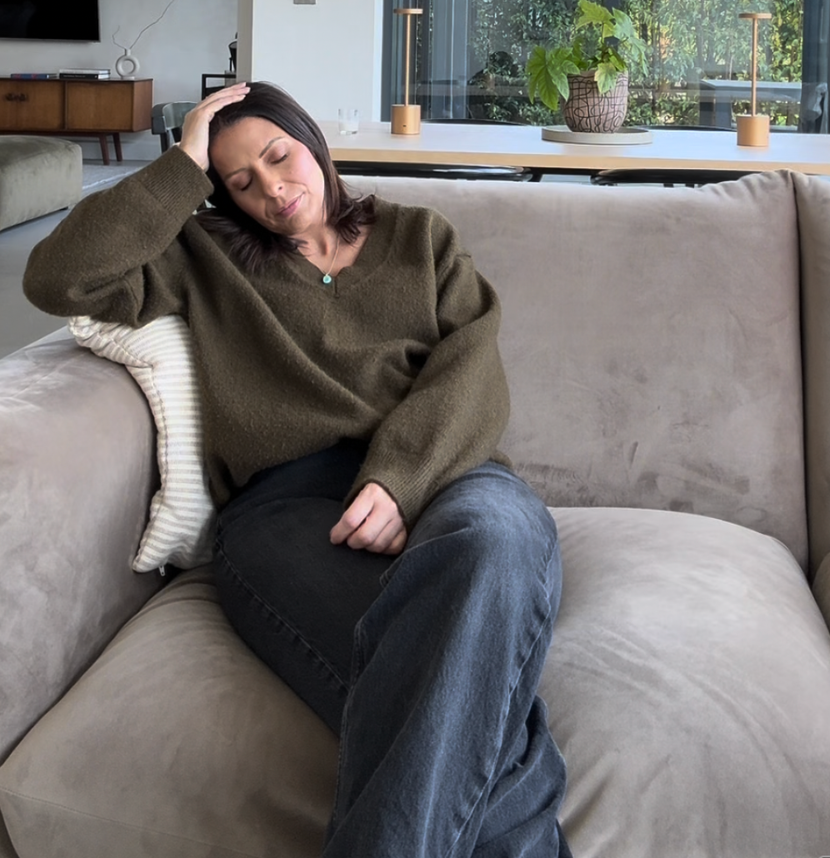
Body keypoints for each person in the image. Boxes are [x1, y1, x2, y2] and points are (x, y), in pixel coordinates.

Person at [23, 80, 571, 858]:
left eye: (280, 157)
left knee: (492, 546)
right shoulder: (202, 255)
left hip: (451, 474)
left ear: (310, 140)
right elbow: (58, 278)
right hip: (287, 509)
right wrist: (182, 164)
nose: (274, 191)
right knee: (456, 690)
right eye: (241, 181)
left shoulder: (420, 237)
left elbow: (472, 364)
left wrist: (398, 479)